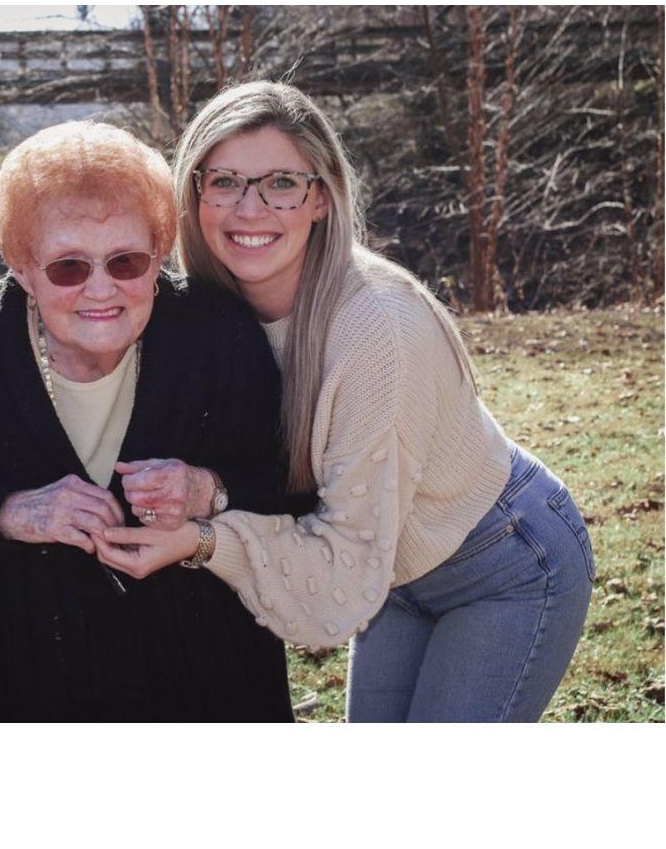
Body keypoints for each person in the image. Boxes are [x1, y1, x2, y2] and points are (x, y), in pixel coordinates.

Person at [98, 81, 595, 722]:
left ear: (322, 199)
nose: (250, 209)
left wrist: (199, 540)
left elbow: (337, 578)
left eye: (281, 183)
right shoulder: (209, 319)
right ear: (193, 197)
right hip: (387, 574)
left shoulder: (376, 330)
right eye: (224, 181)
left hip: (501, 564)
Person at [0, 120, 303, 721]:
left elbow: (295, 487)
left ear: (158, 258)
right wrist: (11, 513)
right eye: (68, 268)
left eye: (126, 262)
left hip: (207, 675)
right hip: (31, 683)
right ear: (21, 268)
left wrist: (208, 488)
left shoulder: (218, 336)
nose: (102, 289)